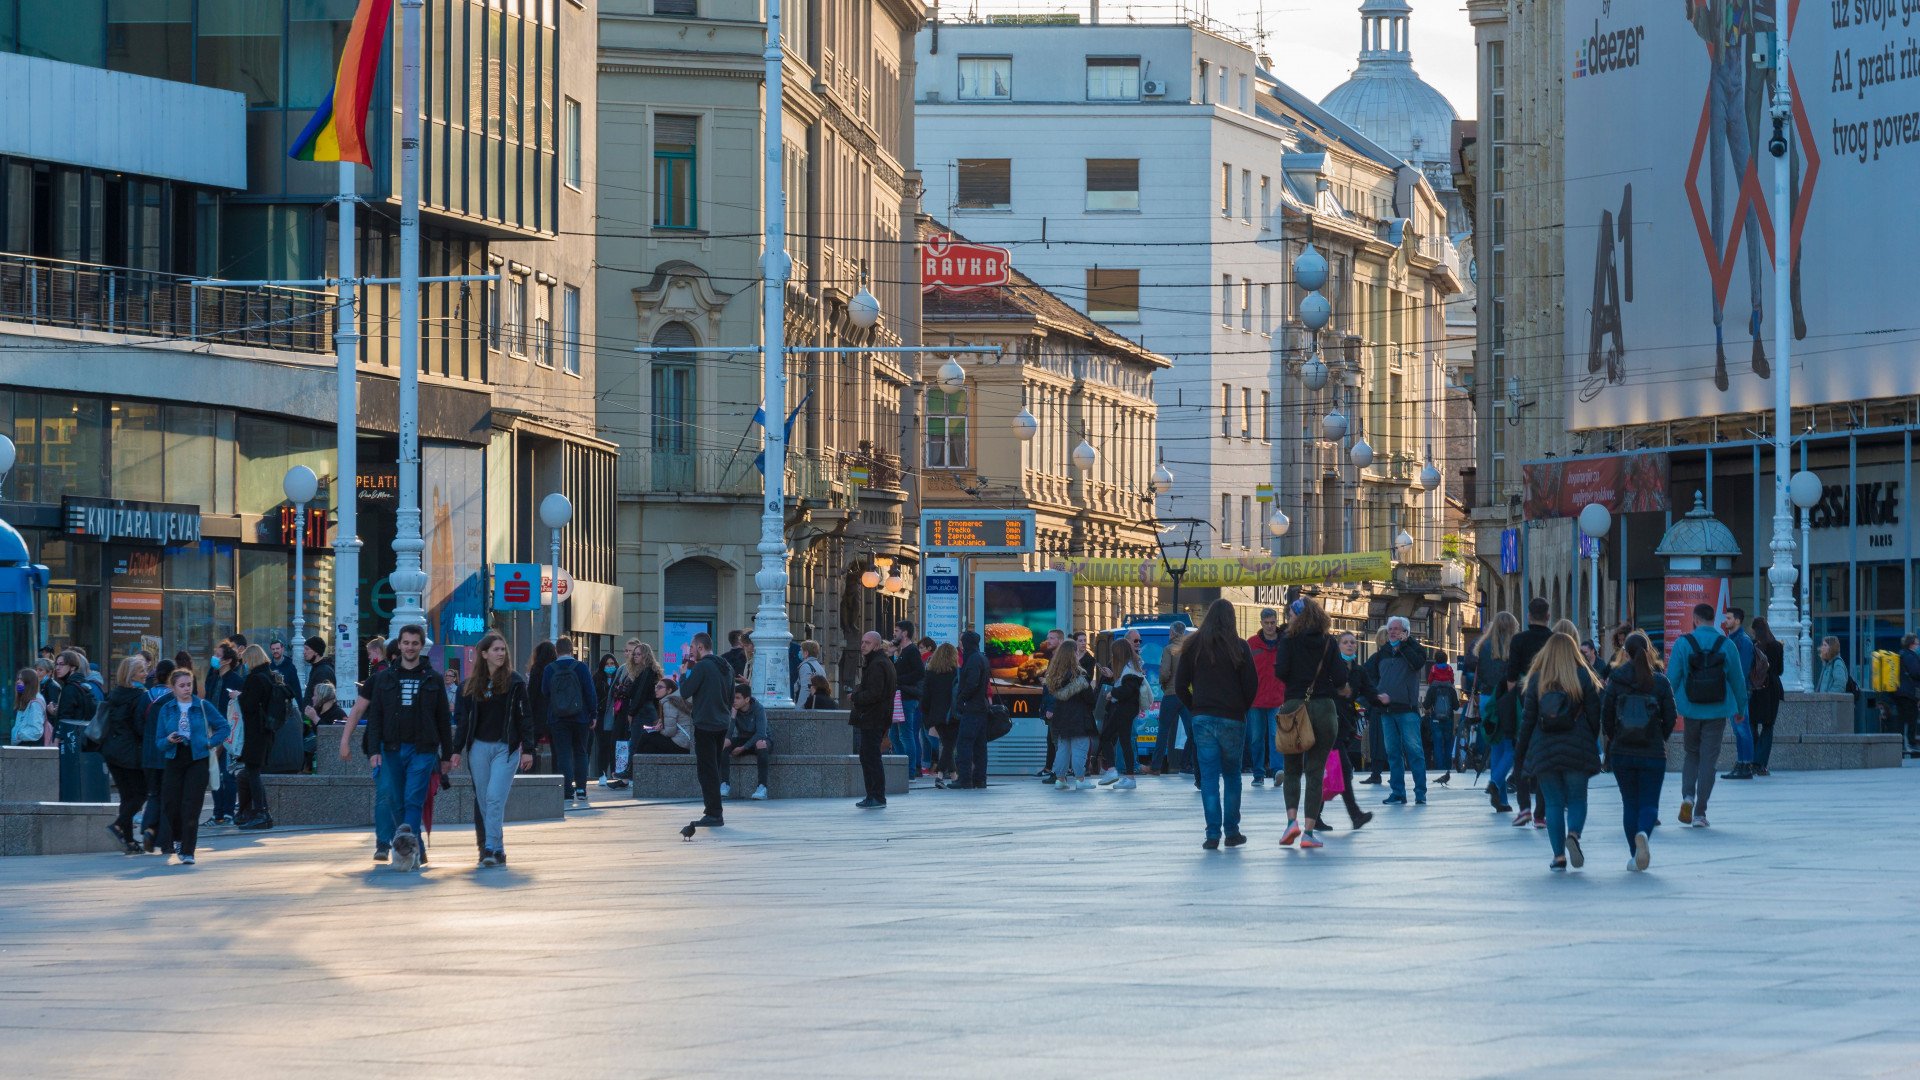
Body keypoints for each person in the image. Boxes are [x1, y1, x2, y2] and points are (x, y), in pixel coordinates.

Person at [363, 625, 457, 870]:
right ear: (399, 645)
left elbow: (443, 721)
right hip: (391, 748)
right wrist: (374, 751)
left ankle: (405, 851)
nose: (410, 647)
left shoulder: (433, 678)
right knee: (396, 800)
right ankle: (417, 850)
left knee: (413, 799)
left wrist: (447, 755)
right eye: (406, 643)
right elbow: (375, 718)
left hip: (423, 750)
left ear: (421, 646)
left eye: (415, 643)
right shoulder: (385, 678)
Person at [1173, 598, 1259, 850]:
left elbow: (1179, 686)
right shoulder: (1240, 647)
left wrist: (1195, 707)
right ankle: (1232, 832)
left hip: (1203, 718)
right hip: (1232, 718)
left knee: (1209, 777)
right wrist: (1240, 708)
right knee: (1232, 775)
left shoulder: (1193, 646)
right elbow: (1252, 685)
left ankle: (1212, 834)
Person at [1515, 632, 1603, 872]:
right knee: (1577, 798)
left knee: (1552, 804)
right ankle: (1573, 833)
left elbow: (1528, 720)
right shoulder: (1583, 675)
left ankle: (1558, 857)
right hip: (1577, 746)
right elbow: (1596, 714)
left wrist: (1522, 752)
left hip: (1544, 748)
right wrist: (1589, 737)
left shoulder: (1536, 680)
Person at [455, 632, 537, 869]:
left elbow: (525, 717)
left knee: (494, 797)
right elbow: (463, 722)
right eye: (496, 650)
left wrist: (528, 749)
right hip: (478, 747)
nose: (500, 653)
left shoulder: (515, 682)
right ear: (483, 654)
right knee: (483, 799)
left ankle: (489, 847)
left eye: (503, 650)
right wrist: (455, 750)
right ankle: (498, 848)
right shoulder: (469, 686)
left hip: (506, 748)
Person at [1273, 598, 1347, 849]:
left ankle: (1291, 823)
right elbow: (1339, 677)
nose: (1288, 618)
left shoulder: (1288, 641)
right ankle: (1308, 832)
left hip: (1295, 707)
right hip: (1324, 709)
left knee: (1292, 770)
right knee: (1315, 772)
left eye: (1290, 614)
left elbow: (1280, 671)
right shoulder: (1329, 642)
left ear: (1297, 616)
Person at [1667, 602, 1749, 829]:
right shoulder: (1726, 644)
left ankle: (1687, 797)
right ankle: (1700, 813)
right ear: (1715, 620)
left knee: (1691, 754)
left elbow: (1672, 678)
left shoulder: (1683, 643)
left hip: (1691, 710)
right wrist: (1741, 709)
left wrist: (1666, 706)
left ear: (1695, 619)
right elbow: (1738, 681)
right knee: (1708, 761)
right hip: (1717, 710)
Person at [1601, 631, 1677, 872]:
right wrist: (1659, 737)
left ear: (1625, 653)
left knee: (1629, 803)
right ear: (1649, 651)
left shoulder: (1615, 679)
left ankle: (1635, 856)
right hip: (1653, 752)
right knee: (1649, 802)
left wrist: (1614, 738)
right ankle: (1643, 832)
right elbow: (1671, 717)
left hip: (1623, 752)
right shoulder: (1660, 681)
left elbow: (1607, 716)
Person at [153, 667, 231, 866]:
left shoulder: (203, 706)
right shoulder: (167, 709)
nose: (187, 689)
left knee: (192, 805)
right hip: (174, 757)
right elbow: (159, 742)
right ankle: (179, 838)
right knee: (171, 805)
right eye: (182, 686)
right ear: (173, 687)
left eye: (189, 684)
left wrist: (210, 742)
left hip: (198, 757)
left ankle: (188, 851)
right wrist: (169, 739)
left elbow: (224, 727)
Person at [1363, 617, 1432, 806]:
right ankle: (1398, 792)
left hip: (1407, 710)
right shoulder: (1383, 652)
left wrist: (1404, 645)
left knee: (1415, 752)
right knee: (1393, 753)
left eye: (1396, 629)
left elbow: (1417, 663)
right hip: (1387, 711)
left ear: (1406, 631)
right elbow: (1367, 673)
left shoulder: (1414, 649)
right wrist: (1376, 693)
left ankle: (1420, 793)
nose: (1392, 632)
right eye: (1390, 629)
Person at [1505, 598, 1556, 826]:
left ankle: (1524, 807)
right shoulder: (1555, 640)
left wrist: (1517, 698)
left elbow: (1511, 675)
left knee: (1521, 754)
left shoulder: (1519, 640)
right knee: (1546, 758)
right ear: (1548, 616)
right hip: (1551, 703)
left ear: (1528, 616)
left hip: (1525, 701)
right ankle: (1540, 814)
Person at [678, 634, 735, 830]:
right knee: (714, 767)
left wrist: (684, 674)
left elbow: (685, 692)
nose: (690, 651)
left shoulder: (702, 666)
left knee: (706, 770)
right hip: (721, 723)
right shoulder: (726, 666)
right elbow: (731, 696)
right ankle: (714, 811)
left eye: (692, 647)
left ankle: (713, 813)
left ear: (701, 647)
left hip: (705, 724)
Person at [96, 656, 150, 854]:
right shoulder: (140, 695)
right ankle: (119, 825)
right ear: (132, 674)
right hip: (130, 753)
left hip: (111, 751)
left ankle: (128, 841)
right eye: (142, 671)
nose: (146, 674)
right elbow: (139, 727)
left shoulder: (115, 694)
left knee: (127, 796)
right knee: (140, 793)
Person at [1325, 632, 1374, 831]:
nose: (1350, 645)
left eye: (1353, 642)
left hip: (1346, 726)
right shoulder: (1331, 668)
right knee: (1343, 769)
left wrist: (1381, 698)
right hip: (1329, 723)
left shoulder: (1358, 671)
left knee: (1332, 773)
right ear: (1338, 646)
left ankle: (1315, 816)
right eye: (1345, 642)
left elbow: (1370, 691)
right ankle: (1355, 815)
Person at [541, 636, 597, 804]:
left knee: (563, 753)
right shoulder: (581, 667)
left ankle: (567, 791)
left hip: (558, 718)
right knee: (581, 752)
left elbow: (545, 691)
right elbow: (590, 692)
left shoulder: (549, 669)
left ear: (556, 651)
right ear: (572, 650)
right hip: (580, 717)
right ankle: (581, 789)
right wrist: (593, 714)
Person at [233, 644, 282, 830]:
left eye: (245, 661)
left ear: (251, 660)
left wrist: (239, 696)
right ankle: (262, 812)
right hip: (266, 731)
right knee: (252, 772)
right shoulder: (270, 676)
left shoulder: (255, 679)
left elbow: (249, 706)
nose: (244, 665)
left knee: (253, 772)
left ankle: (260, 812)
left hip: (255, 733)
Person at [1476, 611, 1520, 813]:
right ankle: (1494, 782)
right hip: (1505, 699)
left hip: (1486, 699)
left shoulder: (1483, 647)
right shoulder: (1513, 647)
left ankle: (1501, 800)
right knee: (1511, 748)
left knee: (1496, 747)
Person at [849, 631, 897, 808]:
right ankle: (874, 795)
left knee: (870, 758)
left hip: (873, 717)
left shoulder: (877, 664)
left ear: (877, 646)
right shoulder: (880, 662)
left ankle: (876, 796)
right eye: (862, 642)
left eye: (867, 643)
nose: (863, 645)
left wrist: (856, 697)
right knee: (869, 756)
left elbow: (874, 693)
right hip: (877, 717)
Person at [1043, 638, 1098, 791]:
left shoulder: (1054, 676)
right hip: (1079, 718)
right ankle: (1080, 779)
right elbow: (1090, 699)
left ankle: (1060, 779)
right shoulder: (1078, 676)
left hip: (1060, 718)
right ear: (1073, 654)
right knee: (1080, 748)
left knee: (1062, 748)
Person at [1244, 607, 1285, 788]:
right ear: (1260, 623)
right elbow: (1243, 669)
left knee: (1276, 735)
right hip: (1256, 699)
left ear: (1277, 622)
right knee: (1256, 738)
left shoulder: (1284, 643)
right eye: (1267, 623)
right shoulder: (1251, 644)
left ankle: (1277, 771)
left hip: (1277, 699)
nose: (1270, 626)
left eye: (1273, 623)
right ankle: (1258, 774)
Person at [1096, 638, 1144, 790]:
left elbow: (1127, 690)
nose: (1112, 656)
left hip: (1123, 709)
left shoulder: (1129, 670)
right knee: (1124, 742)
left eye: (1113, 653)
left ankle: (1111, 770)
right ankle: (1129, 777)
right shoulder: (1131, 667)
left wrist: (1112, 693)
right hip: (1127, 709)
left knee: (1105, 737)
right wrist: (1112, 678)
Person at [1719, 606, 1760, 779]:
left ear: (1737, 620)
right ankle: (1742, 763)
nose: (1725, 621)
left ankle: (1746, 765)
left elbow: (1741, 671)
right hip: (1732, 692)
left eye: (1729, 618)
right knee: (1738, 730)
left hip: (1739, 692)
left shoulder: (1743, 641)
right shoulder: (1731, 639)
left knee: (1742, 729)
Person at [1745, 617, 1786, 778]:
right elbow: (1780, 670)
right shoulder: (1777, 646)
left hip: (1756, 688)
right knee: (1768, 727)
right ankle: (1761, 764)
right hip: (1772, 689)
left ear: (1755, 630)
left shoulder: (1753, 646)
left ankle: (1753, 760)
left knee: (1752, 725)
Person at [951, 630, 991, 789]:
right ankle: (980, 779)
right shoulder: (981, 657)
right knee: (980, 745)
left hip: (972, 707)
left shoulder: (973, 659)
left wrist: (961, 698)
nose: (960, 644)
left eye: (962, 641)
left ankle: (965, 778)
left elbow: (972, 683)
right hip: (981, 707)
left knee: (964, 743)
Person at [1153, 624, 1191, 777]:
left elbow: (1164, 673)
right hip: (1187, 696)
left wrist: (1164, 685)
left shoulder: (1169, 649)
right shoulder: (1190, 649)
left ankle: (1155, 767)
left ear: (1173, 633)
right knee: (1192, 731)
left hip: (1171, 694)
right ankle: (1187, 764)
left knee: (1163, 731)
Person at [892, 620, 927, 778]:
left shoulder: (911, 650)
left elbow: (919, 673)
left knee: (905, 734)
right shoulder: (902, 651)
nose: (894, 633)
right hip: (900, 697)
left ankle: (909, 770)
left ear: (905, 633)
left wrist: (899, 680)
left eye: (897, 630)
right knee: (894, 735)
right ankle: (901, 765)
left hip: (907, 698)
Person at [922, 643, 960, 787]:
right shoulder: (956, 673)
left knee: (947, 744)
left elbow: (925, 698)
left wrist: (927, 716)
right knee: (949, 745)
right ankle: (939, 776)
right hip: (952, 715)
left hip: (936, 716)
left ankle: (953, 776)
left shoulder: (930, 674)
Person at [727, 685, 771, 800]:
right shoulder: (734, 709)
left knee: (761, 743)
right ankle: (724, 784)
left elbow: (761, 733)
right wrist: (732, 717)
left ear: (746, 699)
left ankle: (762, 787)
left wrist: (743, 748)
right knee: (725, 743)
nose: (734, 701)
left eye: (737, 698)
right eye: (733, 698)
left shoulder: (758, 708)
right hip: (743, 739)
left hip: (761, 740)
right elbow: (728, 735)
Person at [633, 678, 692, 754]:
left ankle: (634, 765)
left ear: (669, 690)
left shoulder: (669, 703)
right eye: (656, 687)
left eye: (660, 687)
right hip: (686, 742)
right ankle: (638, 765)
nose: (656, 690)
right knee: (649, 747)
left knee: (646, 737)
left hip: (681, 743)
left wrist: (659, 730)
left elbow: (670, 732)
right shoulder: (676, 700)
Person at [11, 667, 47, 746]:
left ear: (29, 682)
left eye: (21, 679)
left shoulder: (35, 703)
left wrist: (18, 735)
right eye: (18, 679)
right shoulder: (25, 699)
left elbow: (36, 731)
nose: (18, 682)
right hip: (23, 744)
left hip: (30, 747)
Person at [301, 637, 333, 710]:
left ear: (316, 652)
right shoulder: (317, 668)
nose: (304, 652)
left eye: (307, 649)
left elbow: (322, 698)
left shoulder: (323, 671)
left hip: (317, 718)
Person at [268, 639, 303, 708]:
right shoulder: (268, 666)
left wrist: (301, 707)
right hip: (271, 705)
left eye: (277, 648)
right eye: (273, 649)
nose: (275, 651)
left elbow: (296, 688)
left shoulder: (290, 666)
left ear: (282, 649)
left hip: (286, 705)